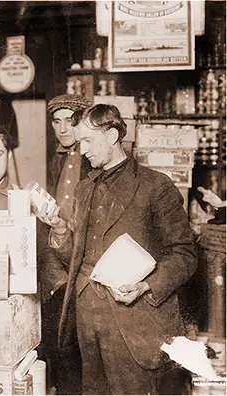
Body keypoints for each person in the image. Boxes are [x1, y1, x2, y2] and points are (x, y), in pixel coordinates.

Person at [37, 104, 197, 395]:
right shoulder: (85, 188)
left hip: (134, 321)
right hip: (87, 318)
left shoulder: (154, 186)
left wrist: (146, 285)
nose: (81, 149)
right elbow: (77, 257)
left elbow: (185, 253)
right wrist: (60, 230)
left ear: (112, 135)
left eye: (87, 140)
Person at [39, 93, 92, 393]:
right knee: (59, 344)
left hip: (81, 262)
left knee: (75, 348)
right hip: (59, 259)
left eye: (69, 122)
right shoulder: (58, 158)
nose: (62, 129)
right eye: (56, 122)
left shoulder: (91, 159)